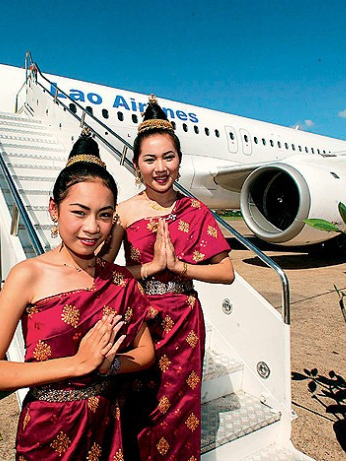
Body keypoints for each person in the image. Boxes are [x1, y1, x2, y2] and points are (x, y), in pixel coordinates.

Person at [0, 130, 155, 460]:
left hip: (106, 423)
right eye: (79, 212)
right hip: (48, 429)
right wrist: (77, 364)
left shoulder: (120, 280)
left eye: (104, 215)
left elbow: (146, 353)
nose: (92, 227)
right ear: (54, 209)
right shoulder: (28, 276)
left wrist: (109, 367)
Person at [101, 96, 235, 460]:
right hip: (139, 319)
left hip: (185, 322)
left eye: (168, 157)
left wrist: (179, 268)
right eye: (150, 159)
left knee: (181, 409)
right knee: (140, 408)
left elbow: (226, 272)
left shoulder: (196, 210)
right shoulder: (124, 212)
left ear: (179, 160)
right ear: (136, 164)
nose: (160, 168)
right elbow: (104, 273)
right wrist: (149, 268)